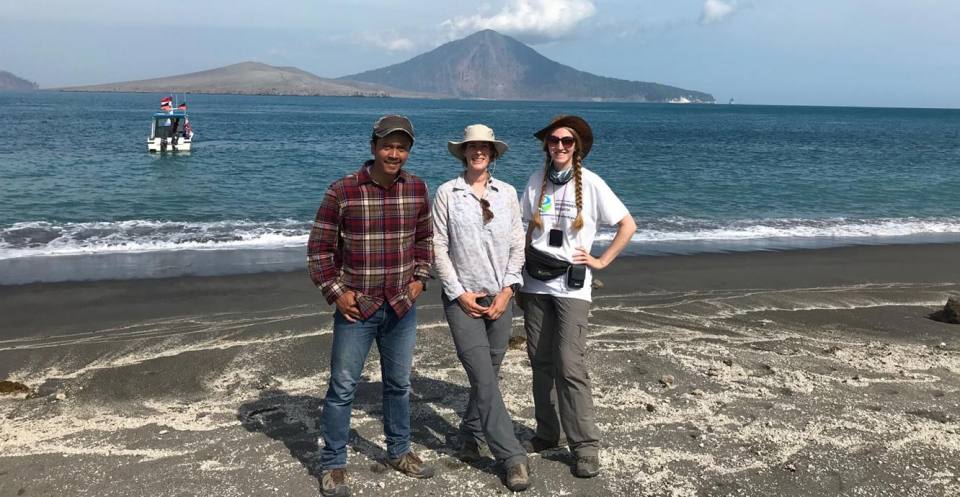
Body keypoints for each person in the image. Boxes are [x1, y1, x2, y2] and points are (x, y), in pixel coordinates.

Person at [307, 114, 435, 497]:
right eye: (388, 146)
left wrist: (419, 281)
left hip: (400, 304)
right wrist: (336, 292)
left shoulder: (416, 189)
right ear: (373, 147)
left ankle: (399, 451)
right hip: (357, 308)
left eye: (401, 147)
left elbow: (425, 239)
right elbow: (319, 250)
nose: (394, 153)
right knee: (342, 387)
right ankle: (333, 464)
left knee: (399, 384)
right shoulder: (342, 191)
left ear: (408, 151)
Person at [518, 115, 637, 478]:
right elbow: (525, 229)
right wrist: (515, 276)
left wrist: (600, 260)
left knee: (570, 364)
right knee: (540, 360)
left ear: (577, 147)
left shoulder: (594, 184)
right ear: (546, 145)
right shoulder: (536, 180)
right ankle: (547, 433)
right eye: (554, 140)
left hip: (571, 286)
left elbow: (627, 224)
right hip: (535, 282)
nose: (559, 146)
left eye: (567, 142)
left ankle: (584, 445)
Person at [432, 124, 530, 491]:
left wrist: (507, 291)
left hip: (500, 297)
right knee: (484, 377)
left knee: (488, 374)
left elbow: (517, 244)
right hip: (463, 301)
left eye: (484, 147)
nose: (478, 152)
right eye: (472, 147)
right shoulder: (447, 193)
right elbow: (438, 247)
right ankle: (511, 456)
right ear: (464, 152)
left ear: (493, 153)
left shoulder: (506, 193)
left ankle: (469, 435)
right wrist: (459, 293)